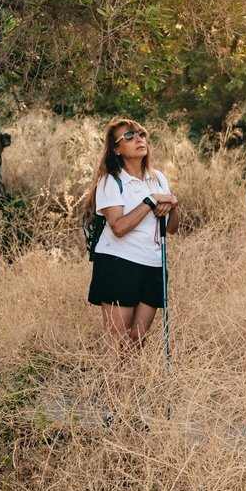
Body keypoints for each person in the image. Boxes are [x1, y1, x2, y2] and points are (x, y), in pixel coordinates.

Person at [88, 118, 178, 350]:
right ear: (116, 149)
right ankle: (110, 387)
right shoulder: (111, 181)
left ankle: (131, 388)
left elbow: (171, 228)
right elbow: (118, 227)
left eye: (141, 134)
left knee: (137, 340)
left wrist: (173, 205)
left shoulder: (158, 178)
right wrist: (150, 201)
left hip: (153, 264)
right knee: (116, 339)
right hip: (120, 263)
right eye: (128, 137)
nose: (138, 139)